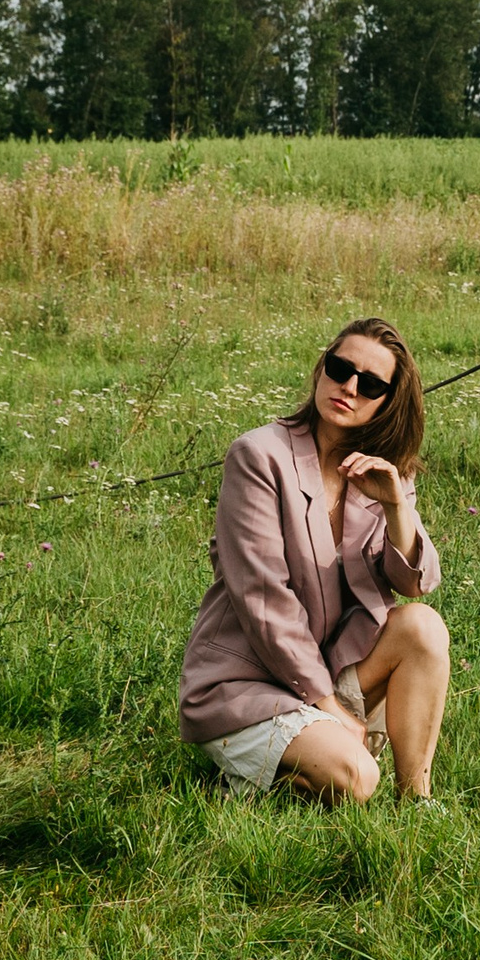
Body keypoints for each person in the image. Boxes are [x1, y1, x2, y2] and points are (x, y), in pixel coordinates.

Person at [178, 318, 452, 803]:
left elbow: (416, 583)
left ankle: (417, 801)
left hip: (328, 667)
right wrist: (331, 707)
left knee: (423, 628)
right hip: (248, 685)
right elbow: (264, 601)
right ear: (321, 367)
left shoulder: (379, 468)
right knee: (357, 781)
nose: (348, 387)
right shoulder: (259, 457)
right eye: (340, 368)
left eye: (369, 384)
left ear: (388, 400)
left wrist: (395, 506)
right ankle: (244, 779)